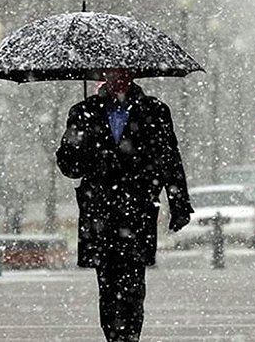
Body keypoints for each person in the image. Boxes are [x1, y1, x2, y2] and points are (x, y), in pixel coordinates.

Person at [56, 69, 193, 341]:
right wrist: (78, 146)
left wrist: (179, 204)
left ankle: (129, 336)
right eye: (111, 71)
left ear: (132, 75)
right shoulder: (83, 112)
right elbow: (69, 166)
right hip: (99, 213)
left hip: (137, 211)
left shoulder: (154, 111)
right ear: (102, 75)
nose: (117, 77)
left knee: (132, 286)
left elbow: (170, 159)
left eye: (123, 71)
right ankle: (115, 337)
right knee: (107, 287)